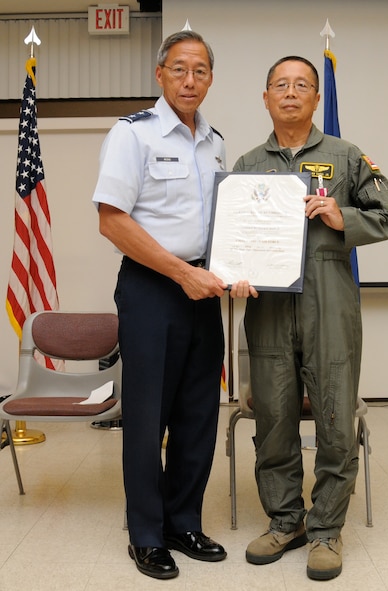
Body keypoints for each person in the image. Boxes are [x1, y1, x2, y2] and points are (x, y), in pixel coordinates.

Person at [232, 56, 388, 581]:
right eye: (280, 85)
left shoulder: (346, 156)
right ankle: (286, 521)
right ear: (265, 98)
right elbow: (232, 239)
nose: (291, 93)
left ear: (315, 99)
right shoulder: (246, 166)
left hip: (329, 303)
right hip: (267, 307)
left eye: (302, 85)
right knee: (274, 419)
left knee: (334, 421)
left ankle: (327, 529)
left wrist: (342, 216)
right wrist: (233, 272)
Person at [92, 30, 229, 580]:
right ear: (160, 74)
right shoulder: (133, 135)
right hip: (153, 288)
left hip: (203, 289)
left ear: (210, 78)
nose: (189, 80)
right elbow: (111, 220)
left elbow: (222, 221)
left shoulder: (215, 141)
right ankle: (146, 533)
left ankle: (183, 522)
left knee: (199, 414)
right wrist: (180, 274)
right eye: (179, 69)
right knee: (147, 417)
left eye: (199, 70)